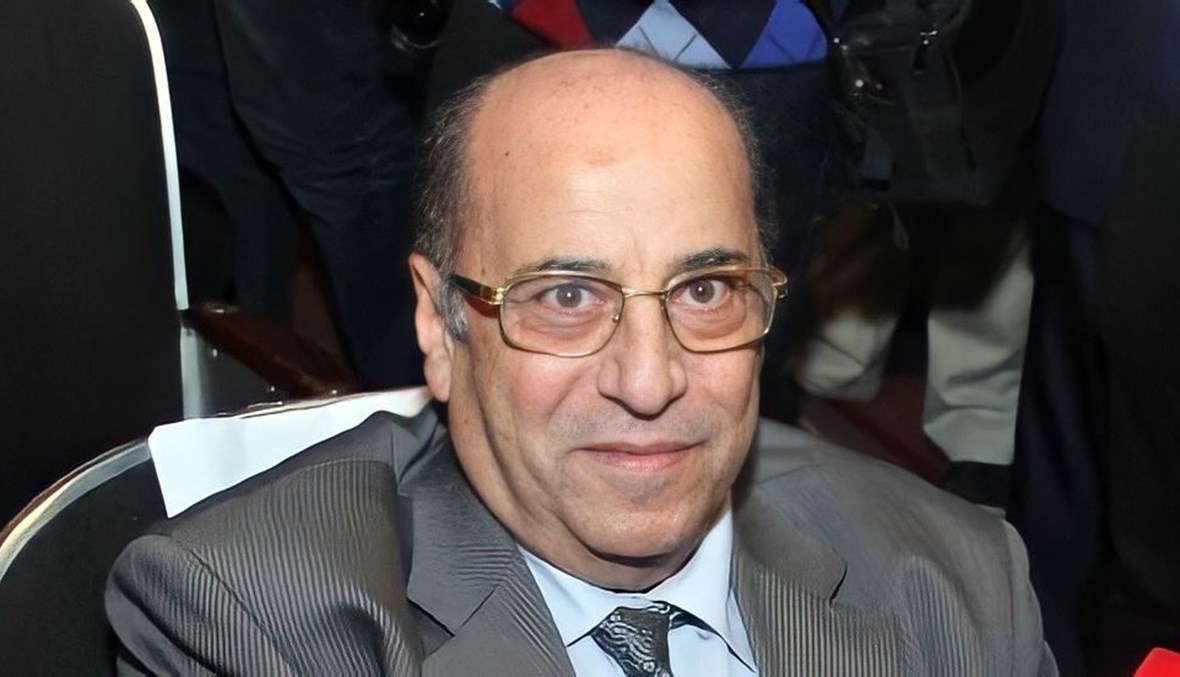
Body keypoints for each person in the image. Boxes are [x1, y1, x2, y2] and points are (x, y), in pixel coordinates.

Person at [105, 49, 1054, 675]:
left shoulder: (961, 587)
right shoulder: (249, 622)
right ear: (439, 324)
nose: (649, 382)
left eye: (705, 290)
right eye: (566, 297)